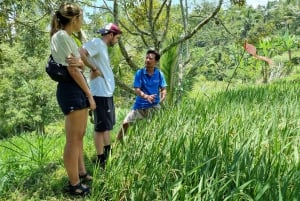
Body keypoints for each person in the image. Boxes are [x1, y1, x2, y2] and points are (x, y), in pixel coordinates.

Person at [50, 2, 96, 196]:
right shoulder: (61, 36)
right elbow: (72, 69)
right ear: (75, 19)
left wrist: (81, 66)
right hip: (72, 89)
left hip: (75, 88)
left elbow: (78, 66)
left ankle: (81, 172)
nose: (82, 22)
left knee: (79, 137)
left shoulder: (66, 37)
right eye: (81, 18)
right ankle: (74, 185)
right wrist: (89, 95)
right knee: (73, 140)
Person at [79, 23, 122, 167]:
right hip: (100, 93)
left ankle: (108, 154)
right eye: (117, 38)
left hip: (106, 93)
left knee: (107, 126)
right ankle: (101, 160)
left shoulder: (102, 48)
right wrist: (93, 68)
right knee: (100, 128)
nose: (117, 41)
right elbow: (81, 52)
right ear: (111, 35)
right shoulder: (97, 43)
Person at [116, 50, 167, 140]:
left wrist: (162, 98)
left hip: (154, 107)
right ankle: (116, 145)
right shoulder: (140, 73)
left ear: (156, 61)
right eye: (146, 58)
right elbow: (137, 89)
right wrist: (146, 96)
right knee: (125, 123)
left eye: (150, 58)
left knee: (154, 129)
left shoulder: (159, 74)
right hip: (140, 106)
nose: (147, 60)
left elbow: (163, 89)